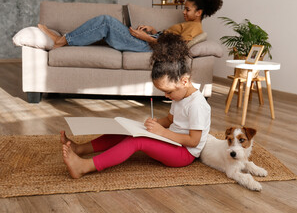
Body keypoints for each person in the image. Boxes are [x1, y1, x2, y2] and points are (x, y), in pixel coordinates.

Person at [61, 33, 211, 179]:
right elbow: (170, 120)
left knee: (137, 141)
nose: (166, 96)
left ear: (184, 81)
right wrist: (156, 124)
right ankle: (80, 148)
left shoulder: (197, 105)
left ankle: (84, 167)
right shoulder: (179, 96)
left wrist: (163, 133)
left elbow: (193, 141)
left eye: (168, 91)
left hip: (184, 154)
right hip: (171, 142)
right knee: (126, 130)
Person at [38, 0, 223, 51]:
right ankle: (63, 40)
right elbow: (167, 37)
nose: (184, 12)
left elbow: (174, 48)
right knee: (106, 23)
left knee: (105, 21)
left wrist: (146, 38)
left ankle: (61, 40)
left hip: (148, 46)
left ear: (199, 12)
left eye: (188, 9)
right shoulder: (188, 24)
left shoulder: (195, 29)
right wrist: (151, 29)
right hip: (150, 40)